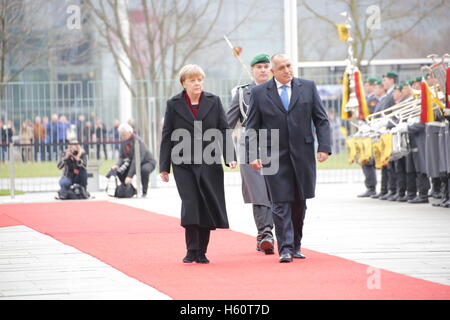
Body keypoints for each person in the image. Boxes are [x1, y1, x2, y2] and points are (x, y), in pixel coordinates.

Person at [245, 53, 331, 263]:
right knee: (280, 202)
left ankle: (296, 246)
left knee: (299, 203)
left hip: (303, 155)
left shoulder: (308, 87)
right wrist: (253, 154)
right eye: (281, 68)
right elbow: (251, 127)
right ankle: (284, 248)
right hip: (273, 155)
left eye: (289, 66)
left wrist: (324, 147)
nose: (287, 71)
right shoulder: (258, 93)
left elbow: (321, 119)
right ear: (273, 72)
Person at [159, 64, 237, 264]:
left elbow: (223, 130)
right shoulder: (173, 104)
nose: (197, 83)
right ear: (184, 83)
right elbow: (167, 135)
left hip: (209, 162)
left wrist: (230, 156)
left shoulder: (214, 101)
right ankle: (190, 249)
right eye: (192, 80)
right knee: (191, 203)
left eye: (200, 79)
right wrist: (164, 166)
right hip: (183, 162)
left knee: (206, 204)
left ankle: (202, 251)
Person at [227, 53, 274, 254]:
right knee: (258, 192)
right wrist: (229, 155)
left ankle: (270, 234)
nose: (263, 70)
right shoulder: (241, 93)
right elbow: (226, 125)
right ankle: (265, 234)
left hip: (275, 143)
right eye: (259, 67)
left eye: (266, 66)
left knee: (276, 192)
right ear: (252, 70)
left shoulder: (279, 91)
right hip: (249, 144)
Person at [111, 123, 156, 197]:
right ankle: (130, 190)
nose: (122, 137)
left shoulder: (137, 141)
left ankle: (144, 192)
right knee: (119, 171)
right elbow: (121, 157)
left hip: (147, 162)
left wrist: (129, 176)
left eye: (124, 135)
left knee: (144, 170)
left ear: (130, 132)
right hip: (133, 162)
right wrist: (117, 165)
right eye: (121, 135)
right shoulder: (123, 141)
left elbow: (136, 160)